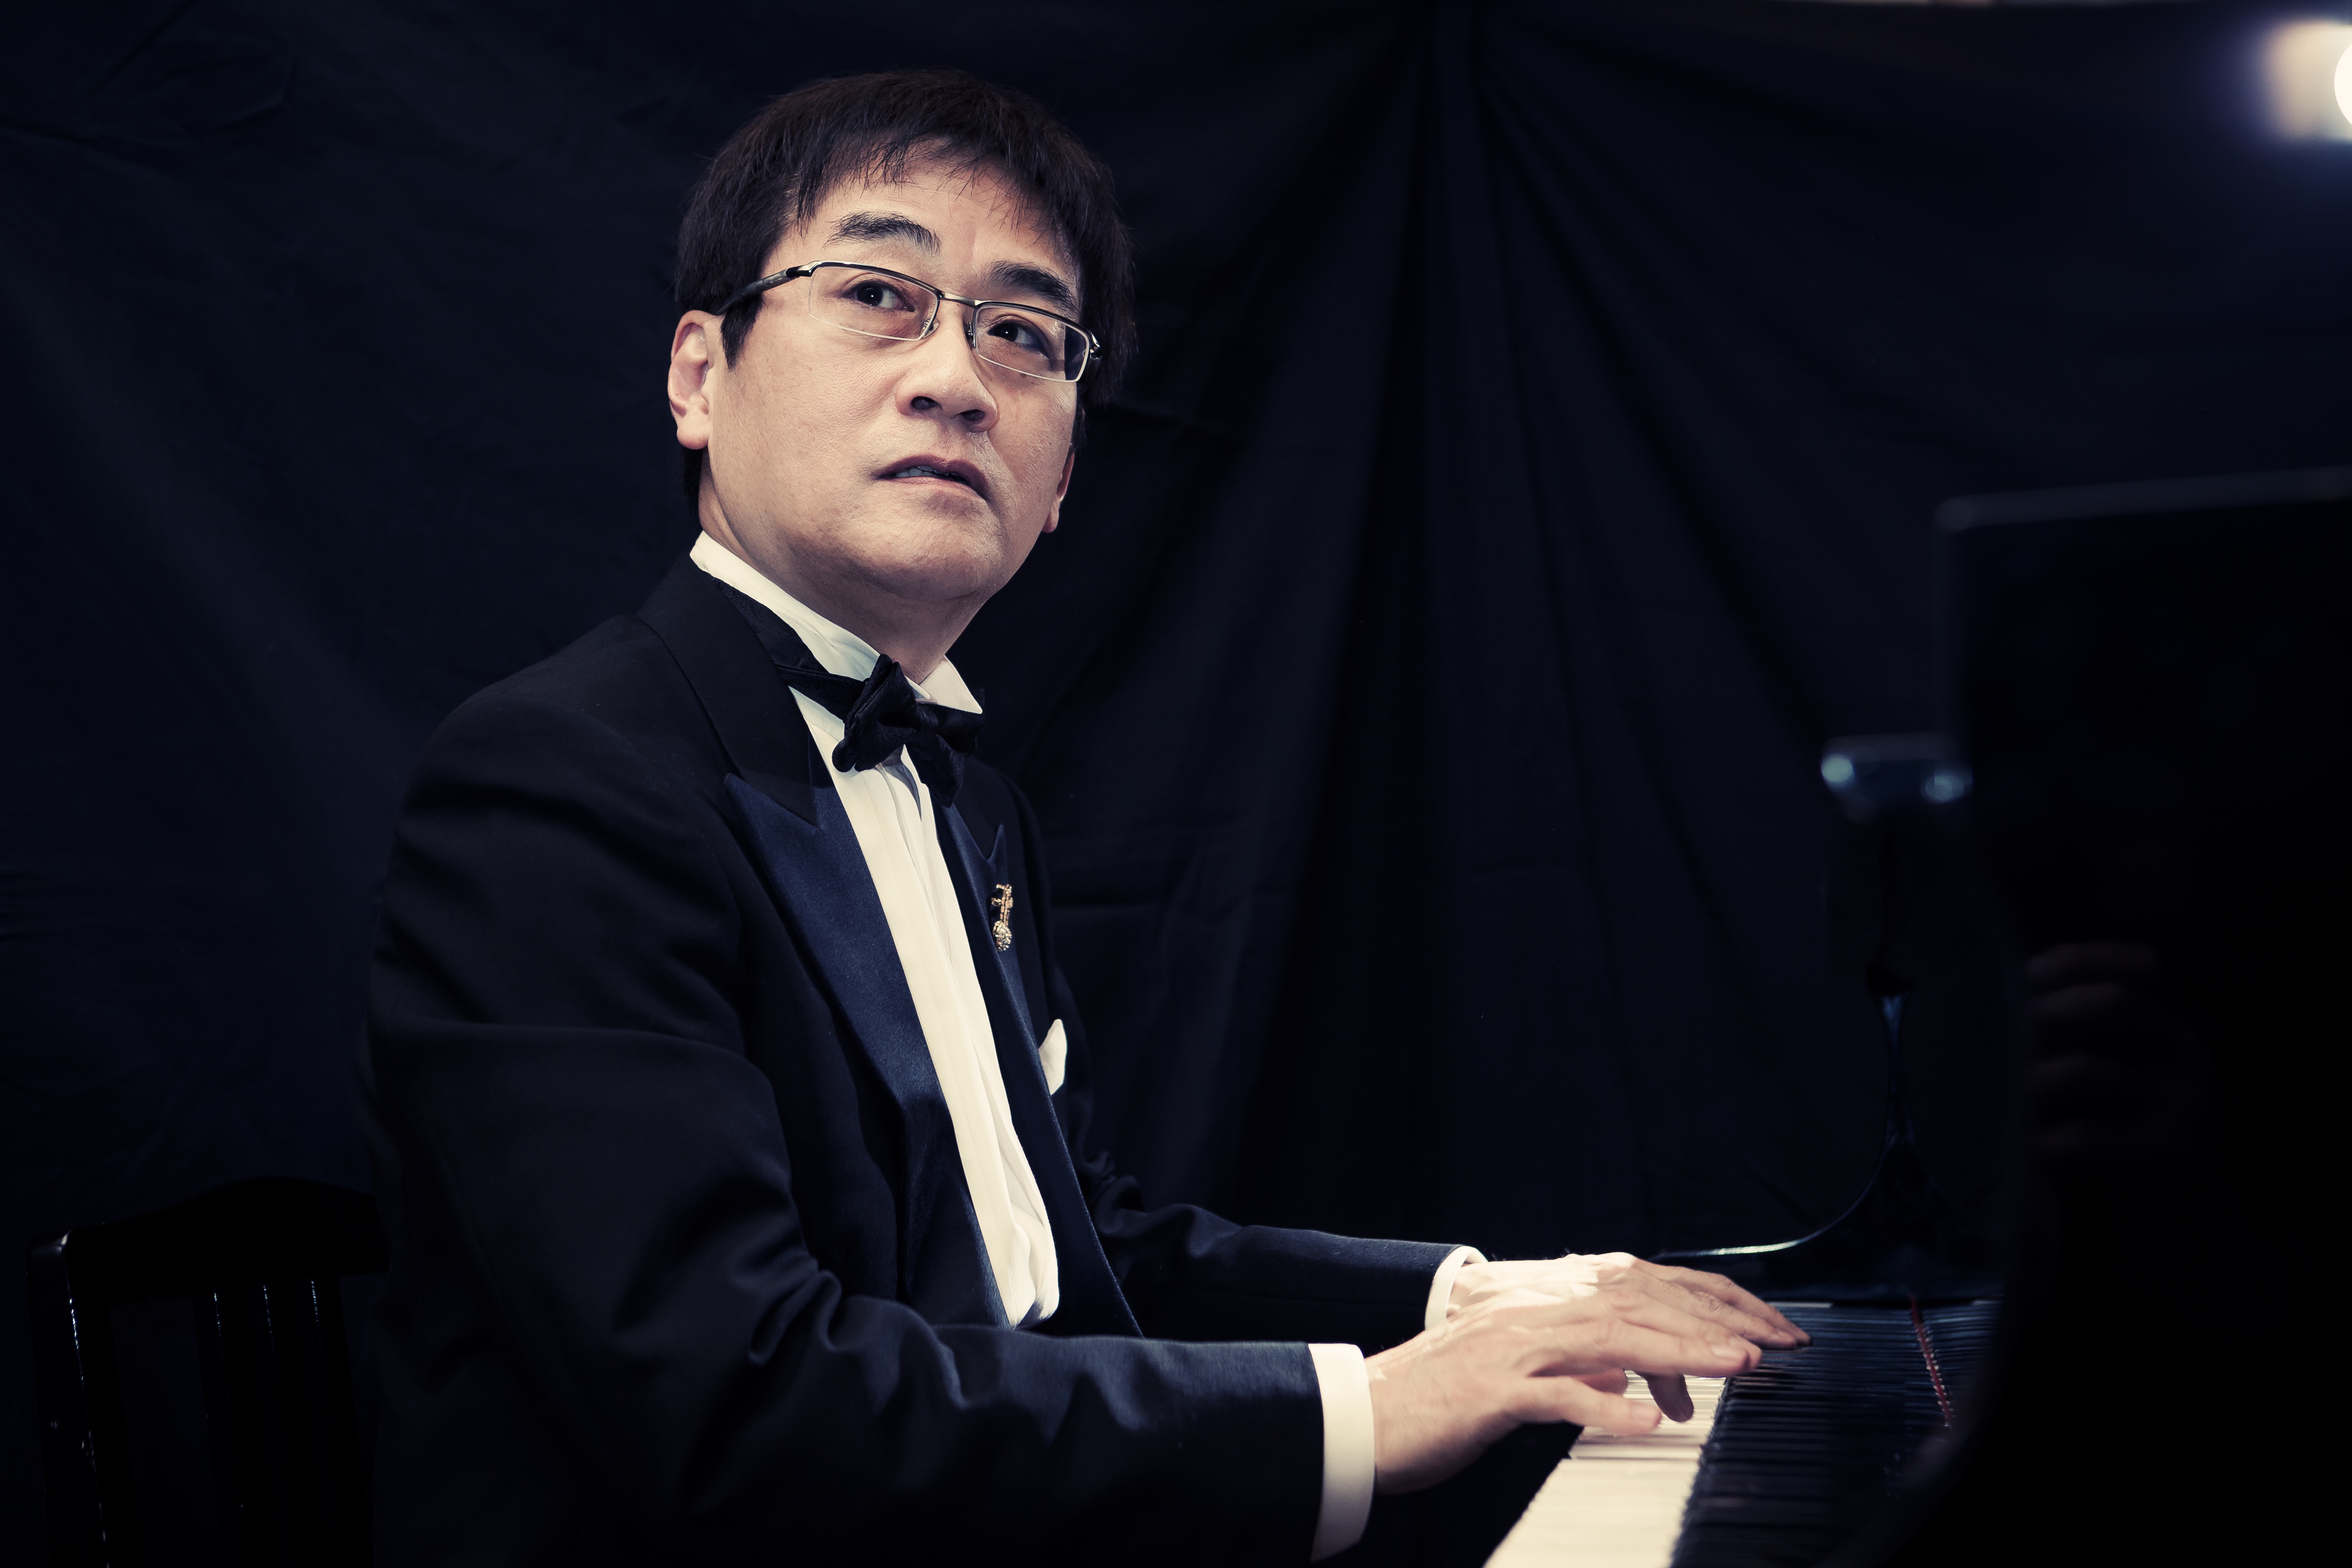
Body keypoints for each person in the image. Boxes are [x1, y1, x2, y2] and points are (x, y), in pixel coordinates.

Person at [360, 68, 1803, 1565]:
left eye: (1026, 335)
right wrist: (1370, 1409)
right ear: (699, 379)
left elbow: (1071, 1255)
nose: (956, 379)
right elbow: (732, 1405)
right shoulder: (557, 780)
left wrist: (1479, 1296)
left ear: (1061, 482)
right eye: (879, 296)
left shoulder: (972, 803)